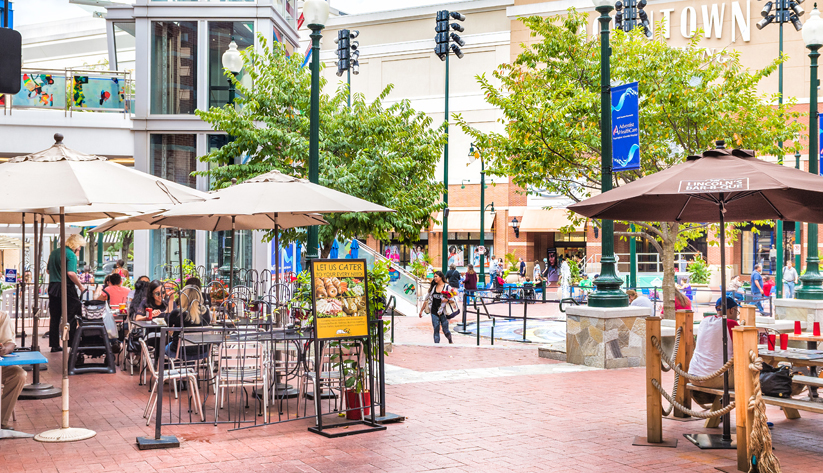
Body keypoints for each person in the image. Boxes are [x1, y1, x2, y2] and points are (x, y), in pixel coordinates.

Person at [47, 233, 86, 353]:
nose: (80, 249)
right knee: (72, 315)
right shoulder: (71, 255)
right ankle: (72, 343)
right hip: (66, 287)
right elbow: (71, 273)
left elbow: (48, 270)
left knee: (55, 317)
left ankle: (54, 345)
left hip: (53, 286)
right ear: (76, 245)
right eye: (80, 246)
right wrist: (80, 286)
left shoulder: (54, 252)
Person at [689, 297, 740, 389]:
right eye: (737, 310)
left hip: (693, 376)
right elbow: (742, 349)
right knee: (751, 375)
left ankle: (719, 403)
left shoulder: (704, 320)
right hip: (715, 379)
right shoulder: (731, 324)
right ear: (732, 310)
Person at [166, 278, 211, 361]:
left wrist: (171, 300)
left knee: (163, 347)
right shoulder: (205, 312)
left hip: (179, 352)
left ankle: (159, 369)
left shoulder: (178, 313)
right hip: (202, 352)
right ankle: (191, 367)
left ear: (183, 296)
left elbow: (167, 324)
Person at [1, 309, 26, 430]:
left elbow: (10, 343)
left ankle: (1, 420)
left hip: (1, 366)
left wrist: (4, 349)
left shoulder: (2, 316)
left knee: (18, 374)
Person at [418, 271, 453, 344]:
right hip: (434, 311)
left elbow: (453, 300)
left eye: (436, 276)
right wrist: (421, 311)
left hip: (444, 312)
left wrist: (447, 300)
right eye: (434, 276)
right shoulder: (433, 288)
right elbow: (426, 300)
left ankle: (450, 339)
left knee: (445, 330)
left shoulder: (447, 287)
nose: (434, 278)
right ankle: (436, 346)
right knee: (436, 329)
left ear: (441, 277)